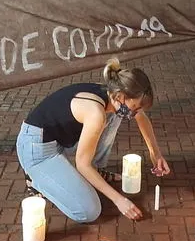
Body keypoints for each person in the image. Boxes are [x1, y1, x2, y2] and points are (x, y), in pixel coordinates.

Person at [15, 58, 171, 223]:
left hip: (59, 140)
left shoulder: (112, 94)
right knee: (89, 211)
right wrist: (119, 200)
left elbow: (141, 117)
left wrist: (156, 154)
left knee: (115, 116)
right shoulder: (96, 113)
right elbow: (82, 164)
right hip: (36, 149)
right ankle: (37, 179)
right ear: (120, 96)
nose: (136, 112)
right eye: (135, 107)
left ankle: (95, 169)